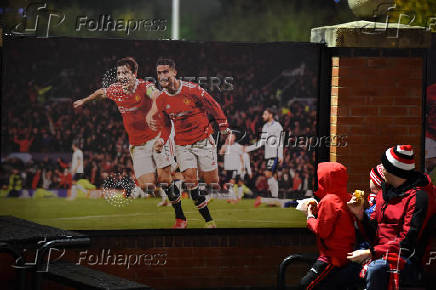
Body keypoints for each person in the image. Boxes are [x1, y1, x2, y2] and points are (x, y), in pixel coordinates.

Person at [73, 57, 180, 227]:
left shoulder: (144, 86)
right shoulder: (115, 90)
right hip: (137, 144)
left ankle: (180, 216)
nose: (121, 76)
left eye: (125, 73)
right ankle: (172, 172)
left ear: (134, 74)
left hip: (157, 137)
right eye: (119, 73)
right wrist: (84, 101)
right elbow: (101, 92)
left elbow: (158, 95)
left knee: (164, 178)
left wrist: (151, 113)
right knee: (147, 186)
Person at [147, 58, 230, 228]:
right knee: (191, 180)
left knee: (212, 180)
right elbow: (165, 125)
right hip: (182, 144)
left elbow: (213, 105)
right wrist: (162, 140)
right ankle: (208, 220)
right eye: (159, 73)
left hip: (203, 140)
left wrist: (223, 126)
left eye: (165, 72)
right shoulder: (161, 99)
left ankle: (201, 196)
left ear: (174, 72)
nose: (162, 76)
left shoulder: (192, 90)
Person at [347, 145, 434, 290]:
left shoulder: (419, 197)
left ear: (393, 171)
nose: (381, 167)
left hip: (406, 258)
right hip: (381, 252)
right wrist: (360, 215)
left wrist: (371, 253)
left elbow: (407, 242)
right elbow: (375, 233)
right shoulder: (384, 192)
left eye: (384, 165)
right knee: (345, 267)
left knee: (376, 270)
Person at [301, 162, 360, 289]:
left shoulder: (329, 200)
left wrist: (310, 216)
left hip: (332, 258)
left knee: (306, 285)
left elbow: (323, 231)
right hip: (346, 255)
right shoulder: (347, 197)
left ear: (325, 178)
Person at [245, 108, 283, 205]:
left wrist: (280, 155)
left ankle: (275, 198)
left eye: (265, 114)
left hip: (274, 155)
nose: (263, 116)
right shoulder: (265, 126)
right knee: (273, 177)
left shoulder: (277, 126)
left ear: (271, 115)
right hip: (268, 155)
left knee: (268, 174)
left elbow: (280, 141)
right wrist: (249, 148)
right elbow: (261, 142)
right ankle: (275, 200)